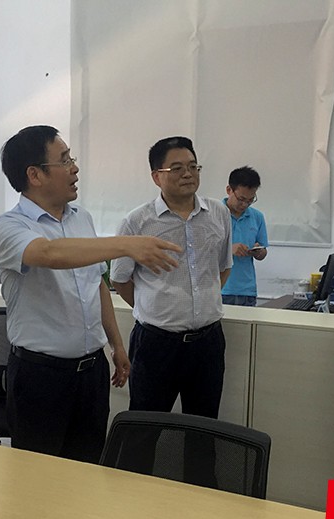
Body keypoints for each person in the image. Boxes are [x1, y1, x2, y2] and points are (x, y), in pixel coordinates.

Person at [0, 125, 181, 463]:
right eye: (64, 160)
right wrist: (126, 244)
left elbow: (97, 284)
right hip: (40, 376)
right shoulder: (8, 226)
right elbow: (48, 254)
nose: (75, 168)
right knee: (36, 474)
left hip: (91, 372)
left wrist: (117, 345)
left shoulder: (82, 219)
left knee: (88, 468)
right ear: (35, 174)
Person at [111, 136, 233, 419]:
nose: (188, 174)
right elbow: (119, 279)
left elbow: (223, 267)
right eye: (177, 168)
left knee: (203, 424)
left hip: (207, 342)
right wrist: (154, 307)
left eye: (193, 166)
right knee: (146, 425)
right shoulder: (137, 222)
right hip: (156, 344)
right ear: (157, 176)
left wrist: (200, 303)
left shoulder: (218, 213)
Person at [221, 166, 268, 307]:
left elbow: (263, 252)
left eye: (250, 200)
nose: (245, 204)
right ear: (229, 190)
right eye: (241, 199)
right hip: (220, 288)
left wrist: (259, 252)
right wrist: (229, 249)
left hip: (248, 290)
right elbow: (201, 250)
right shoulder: (214, 214)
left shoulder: (257, 217)